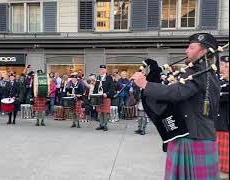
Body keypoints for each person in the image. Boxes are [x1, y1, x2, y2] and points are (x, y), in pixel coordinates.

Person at [132, 33, 220, 179]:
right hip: (198, 133)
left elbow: (178, 93)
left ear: (203, 51)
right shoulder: (208, 72)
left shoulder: (198, 72)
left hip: (192, 137)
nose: (186, 50)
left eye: (191, 47)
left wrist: (145, 84)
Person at [216, 55, 229, 179]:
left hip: (225, 129)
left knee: (224, 170)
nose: (222, 69)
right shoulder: (220, 82)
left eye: (225, 66)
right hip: (219, 127)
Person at [94, 65, 115, 131]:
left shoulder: (109, 78)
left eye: (102, 69)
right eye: (100, 69)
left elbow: (112, 88)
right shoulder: (98, 77)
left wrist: (107, 93)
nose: (101, 70)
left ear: (105, 70)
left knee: (105, 112)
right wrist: (94, 94)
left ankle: (105, 125)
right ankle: (101, 124)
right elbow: (96, 87)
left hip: (106, 97)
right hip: (99, 97)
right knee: (100, 111)